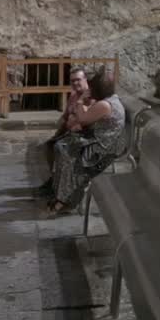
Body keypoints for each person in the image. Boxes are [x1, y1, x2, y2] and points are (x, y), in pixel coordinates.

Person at [48, 69, 126, 214]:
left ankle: (67, 199)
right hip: (101, 139)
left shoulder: (105, 105)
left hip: (103, 147)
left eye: (93, 87)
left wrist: (80, 100)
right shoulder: (110, 100)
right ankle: (60, 193)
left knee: (66, 153)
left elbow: (82, 119)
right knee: (60, 146)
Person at [35, 67, 90, 196]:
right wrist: (57, 133)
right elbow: (65, 117)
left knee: (61, 148)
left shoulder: (90, 97)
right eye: (72, 81)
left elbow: (85, 121)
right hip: (70, 132)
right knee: (49, 145)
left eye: (78, 80)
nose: (75, 83)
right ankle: (54, 180)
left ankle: (64, 187)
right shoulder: (73, 95)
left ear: (85, 79)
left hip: (82, 134)